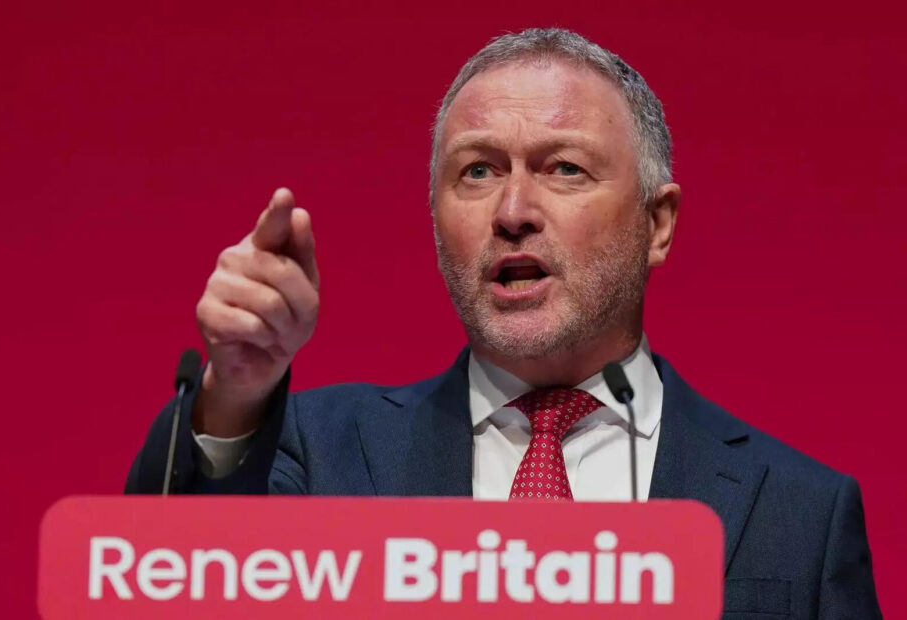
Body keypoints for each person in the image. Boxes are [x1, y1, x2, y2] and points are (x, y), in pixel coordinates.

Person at [126, 28, 881, 617]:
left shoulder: (801, 513)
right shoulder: (318, 455)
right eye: (478, 171)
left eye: (564, 168)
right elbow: (172, 594)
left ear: (657, 224)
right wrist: (236, 393)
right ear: (434, 218)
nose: (513, 211)